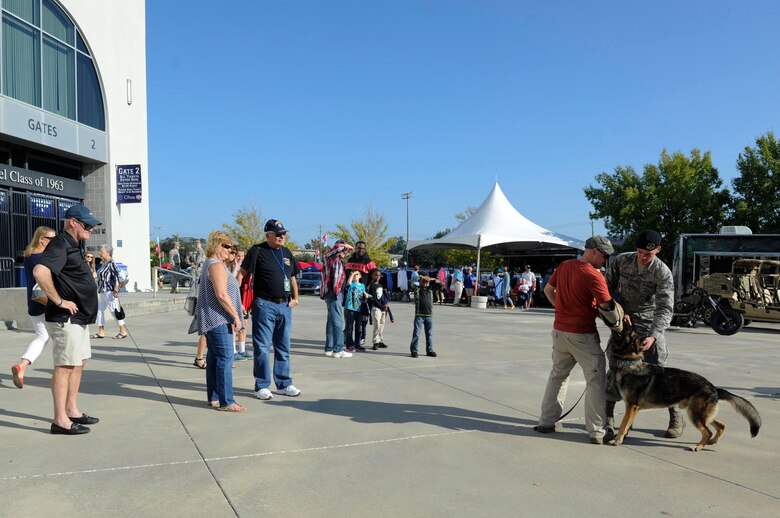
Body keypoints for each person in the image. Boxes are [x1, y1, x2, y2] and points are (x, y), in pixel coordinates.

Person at [534, 235, 615, 445]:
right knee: (596, 380)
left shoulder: (565, 266)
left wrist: (561, 309)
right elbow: (607, 306)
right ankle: (597, 431)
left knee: (558, 375)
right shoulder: (594, 275)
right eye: (604, 256)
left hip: (560, 332)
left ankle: (546, 421)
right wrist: (619, 323)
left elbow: (548, 290)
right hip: (582, 335)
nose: (605, 261)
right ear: (594, 251)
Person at [33, 204, 102, 435]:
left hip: (79, 317)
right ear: (72, 221)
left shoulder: (74, 244)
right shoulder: (60, 243)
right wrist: (59, 301)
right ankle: (60, 420)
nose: (91, 229)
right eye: (87, 225)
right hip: (65, 318)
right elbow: (40, 272)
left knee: (79, 362)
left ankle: (72, 409)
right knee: (65, 366)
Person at [605, 230, 677, 437]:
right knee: (615, 368)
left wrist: (654, 335)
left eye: (648, 254)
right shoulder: (621, 261)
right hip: (623, 323)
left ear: (658, 250)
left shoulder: (662, 272)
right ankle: (608, 417)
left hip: (649, 323)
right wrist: (618, 312)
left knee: (661, 370)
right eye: (639, 252)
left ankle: (674, 415)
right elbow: (607, 290)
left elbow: (665, 308)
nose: (643, 257)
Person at [238, 219, 301, 400]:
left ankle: (284, 383)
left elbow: (293, 277)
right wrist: (238, 300)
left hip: (285, 305)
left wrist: (296, 299)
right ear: (268, 235)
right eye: (278, 234)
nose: (282, 237)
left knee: (283, 347)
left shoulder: (287, 253)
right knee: (263, 347)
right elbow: (241, 275)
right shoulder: (257, 251)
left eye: (284, 234)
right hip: (264, 304)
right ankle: (261, 386)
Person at [195, 231, 246, 412]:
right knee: (225, 357)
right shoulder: (215, 265)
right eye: (225, 246)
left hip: (214, 318)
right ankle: (227, 401)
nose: (229, 249)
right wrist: (236, 316)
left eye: (230, 247)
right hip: (217, 319)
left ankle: (214, 397)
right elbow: (222, 295)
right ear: (216, 245)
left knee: (214, 357)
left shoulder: (215, 264)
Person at [11, 226, 56, 389]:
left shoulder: (29, 256)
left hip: (34, 303)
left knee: (42, 336)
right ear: (42, 239)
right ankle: (60, 372)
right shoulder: (44, 258)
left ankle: (22, 366)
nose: (54, 241)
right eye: (52, 238)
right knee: (59, 338)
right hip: (48, 302)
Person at [320, 239, 354, 358]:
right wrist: (345, 246)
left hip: (332, 293)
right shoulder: (332, 258)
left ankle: (329, 348)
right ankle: (338, 349)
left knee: (331, 321)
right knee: (338, 321)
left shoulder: (337, 260)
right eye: (344, 251)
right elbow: (336, 248)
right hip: (334, 293)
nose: (345, 253)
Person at [91, 245, 129, 340]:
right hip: (102, 290)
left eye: (102, 251)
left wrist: (116, 290)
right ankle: (101, 331)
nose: (100, 253)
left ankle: (123, 331)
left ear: (108, 252)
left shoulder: (112, 263)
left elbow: (116, 277)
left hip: (109, 291)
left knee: (114, 311)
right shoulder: (104, 263)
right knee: (99, 310)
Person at [343, 241, 376, 344]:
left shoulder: (368, 261)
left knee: (361, 316)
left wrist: (368, 287)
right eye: (359, 248)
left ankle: (361, 335)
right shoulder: (350, 259)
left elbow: (376, 274)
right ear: (356, 248)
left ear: (365, 249)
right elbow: (345, 273)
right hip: (349, 291)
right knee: (347, 312)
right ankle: (347, 333)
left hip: (361, 292)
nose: (361, 250)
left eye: (363, 248)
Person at [409, 274, 441, 358]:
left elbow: (441, 284)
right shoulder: (417, 289)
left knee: (429, 334)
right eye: (423, 281)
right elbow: (410, 282)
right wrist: (420, 277)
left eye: (426, 281)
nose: (425, 282)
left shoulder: (430, 289)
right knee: (416, 334)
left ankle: (429, 350)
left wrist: (432, 279)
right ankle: (414, 351)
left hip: (429, 315)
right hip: (419, 315)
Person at [367, 268, 390, 350]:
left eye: (379, 275)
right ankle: (375, 341)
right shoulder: (372, 285)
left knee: (382, 324)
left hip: (383, 308)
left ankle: (379, 340)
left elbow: (382, 297)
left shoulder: (380, 285)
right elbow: (374, 299)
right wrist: (381, 306)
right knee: (377, 324)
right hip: (376, 307)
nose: (378, 277)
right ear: (372, 276)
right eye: (376, 275)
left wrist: (385, 305)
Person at [344, 271, 366, 352]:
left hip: (359, 309)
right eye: (353, 275)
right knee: (349, 327)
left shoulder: (362, 285)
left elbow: (363, 293)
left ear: (360, 276)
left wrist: (366, 295)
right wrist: (352, 274)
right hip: (350, 308)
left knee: (358, 328)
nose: (354, 276)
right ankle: (349, 345)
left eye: (356, 274)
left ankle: (357, 344)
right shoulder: (352, 284)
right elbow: (348, 282)